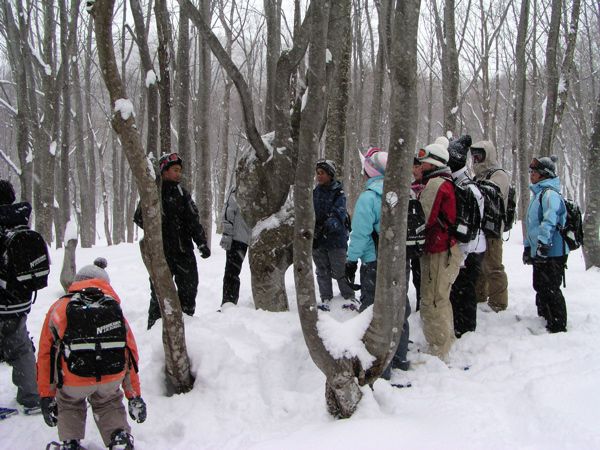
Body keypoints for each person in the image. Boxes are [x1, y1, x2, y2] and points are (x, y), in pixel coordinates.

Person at [37, 259, 146, 450]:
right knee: (109, 402)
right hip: (111, 377)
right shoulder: (113, 309)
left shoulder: (60, 308)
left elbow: (46, 354)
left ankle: (70, 443)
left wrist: (47, 394)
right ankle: (118, 436)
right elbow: (130, 354)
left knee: (69, 403)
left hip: (73, 378)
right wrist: (133, 395)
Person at [345, 148, 411, 374]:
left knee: (372, 312)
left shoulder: (369, 197)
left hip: (375, 262)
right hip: (399, 260)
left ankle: (378, 364)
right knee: (398, 307)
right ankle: (400, 357)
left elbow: (360, 234)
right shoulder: (402, 192)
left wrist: (351, 262)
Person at [134, 152, 211, 329]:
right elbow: (139, 218)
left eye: (180, 170)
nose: (178, 174)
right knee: (159, 294)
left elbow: (193, 221)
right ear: (164, 171)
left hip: (184, 252)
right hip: (162, 254)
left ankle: (186, 325)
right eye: (175, 170)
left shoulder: (183, 194)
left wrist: (201, 243)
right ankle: (154, 328)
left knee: (189, 290)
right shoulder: (152, 193)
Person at [415, 137, 462, 360]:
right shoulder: (444, 182)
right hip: (444, 248)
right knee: (441, 297)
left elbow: (425, 217)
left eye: (423, 162)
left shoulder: (436, 184)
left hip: (438, 250)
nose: (420, 166)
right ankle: (444, 340)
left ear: (433, 163)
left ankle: (438, 347)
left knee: (433, 299)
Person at [0, 180, 41, 415]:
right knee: (21, 347)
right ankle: (32, 396)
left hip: (2, 298)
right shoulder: (19, 222)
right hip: (20, 300)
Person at [523, 156, 569, 333]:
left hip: (553, 251)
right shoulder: (538, 194)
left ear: (544, 174)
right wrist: (529, 246)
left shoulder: (549, 194)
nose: (531, 175)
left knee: (550, 287)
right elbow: (532, 224)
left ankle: (558, 324)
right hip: (542, 251)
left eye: (534, 172)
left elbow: (549, 221)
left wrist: (542, 245)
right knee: (540, 285)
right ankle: (545, 317)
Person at [447, 136, 486, 337]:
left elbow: (473, 225)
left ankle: (466, 329)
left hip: (469, 251)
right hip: (464, 249)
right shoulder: (458, 183)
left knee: (465, 290)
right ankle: (459, 325)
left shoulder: (467, 188)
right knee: (458, 290)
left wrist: (462, 255)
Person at [471, 140, 510, 312]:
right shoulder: (477, 176)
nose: (476, 159)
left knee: (493, 267)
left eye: (480, 155)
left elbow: (493, 194)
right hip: (479, 229)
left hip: (493, 230)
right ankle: (479, 295)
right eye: (474, 156)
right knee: (478, 266)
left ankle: (498, 302)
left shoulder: (498, 175)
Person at [312, 159, 355, 311]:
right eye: (317, 173)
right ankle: (326, 298)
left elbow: (338, 214)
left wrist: (325, 228)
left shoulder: (339, 192)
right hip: (317, 241)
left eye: (322, 173)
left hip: (336, 240)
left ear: (330, 174)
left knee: (340, 270)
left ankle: (349, 296)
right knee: (322, 270)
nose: (319, 176)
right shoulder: (315, 193)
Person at [219, 187, 251, 310]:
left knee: (232, 272)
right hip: (239, 238)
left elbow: (228, 212)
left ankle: (229, 302)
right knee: (232, 272)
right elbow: (228, 213)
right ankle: (228, 303)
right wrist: (227, 235)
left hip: (247, 237)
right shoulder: (237, 189)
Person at [410, 159, 425, 311]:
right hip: (414, 237)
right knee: (416, 272)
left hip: (427, 236)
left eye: (417, 166)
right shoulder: (411, 188)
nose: (415, 170)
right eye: (412, 167)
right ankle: (419, 300)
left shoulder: (429, 184)